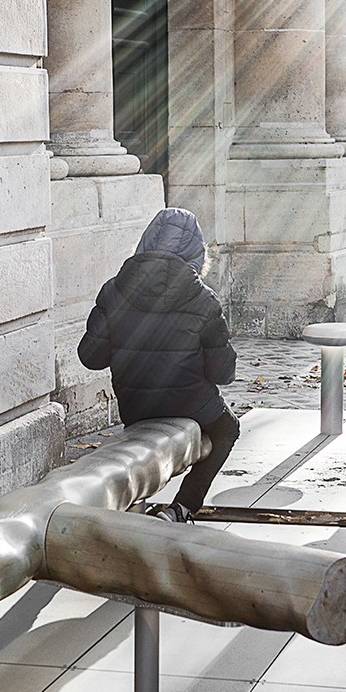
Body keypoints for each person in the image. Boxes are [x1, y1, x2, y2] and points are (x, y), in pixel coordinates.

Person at [77, 207, 239, 524]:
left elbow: (90, 357)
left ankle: (138, 509)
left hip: (136, 407)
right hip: (193, 406)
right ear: (197, 253)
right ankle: (180, 508)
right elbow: (224, 374)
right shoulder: (203, 299)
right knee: (229, 429)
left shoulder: (114, 289)